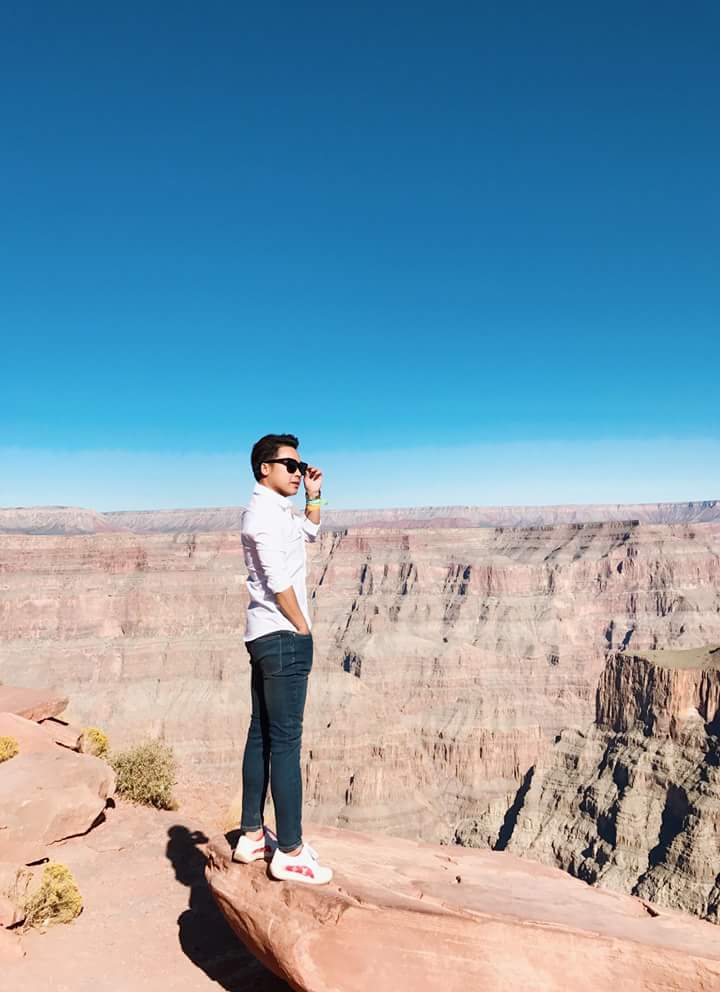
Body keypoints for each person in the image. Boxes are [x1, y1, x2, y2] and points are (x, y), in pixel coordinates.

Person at [232, 433, 333, 885]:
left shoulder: (275, 510)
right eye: (290, 465)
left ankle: (253, 835)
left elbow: (310, 533)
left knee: (262, 734)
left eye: (300, 465)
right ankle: (289, 851)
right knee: (286, 742)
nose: (298, 471)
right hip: (282, 637)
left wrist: (314, 496)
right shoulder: (263, 517)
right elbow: (277, 581)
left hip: (264, 636)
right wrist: (302, 626)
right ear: (264, 468)